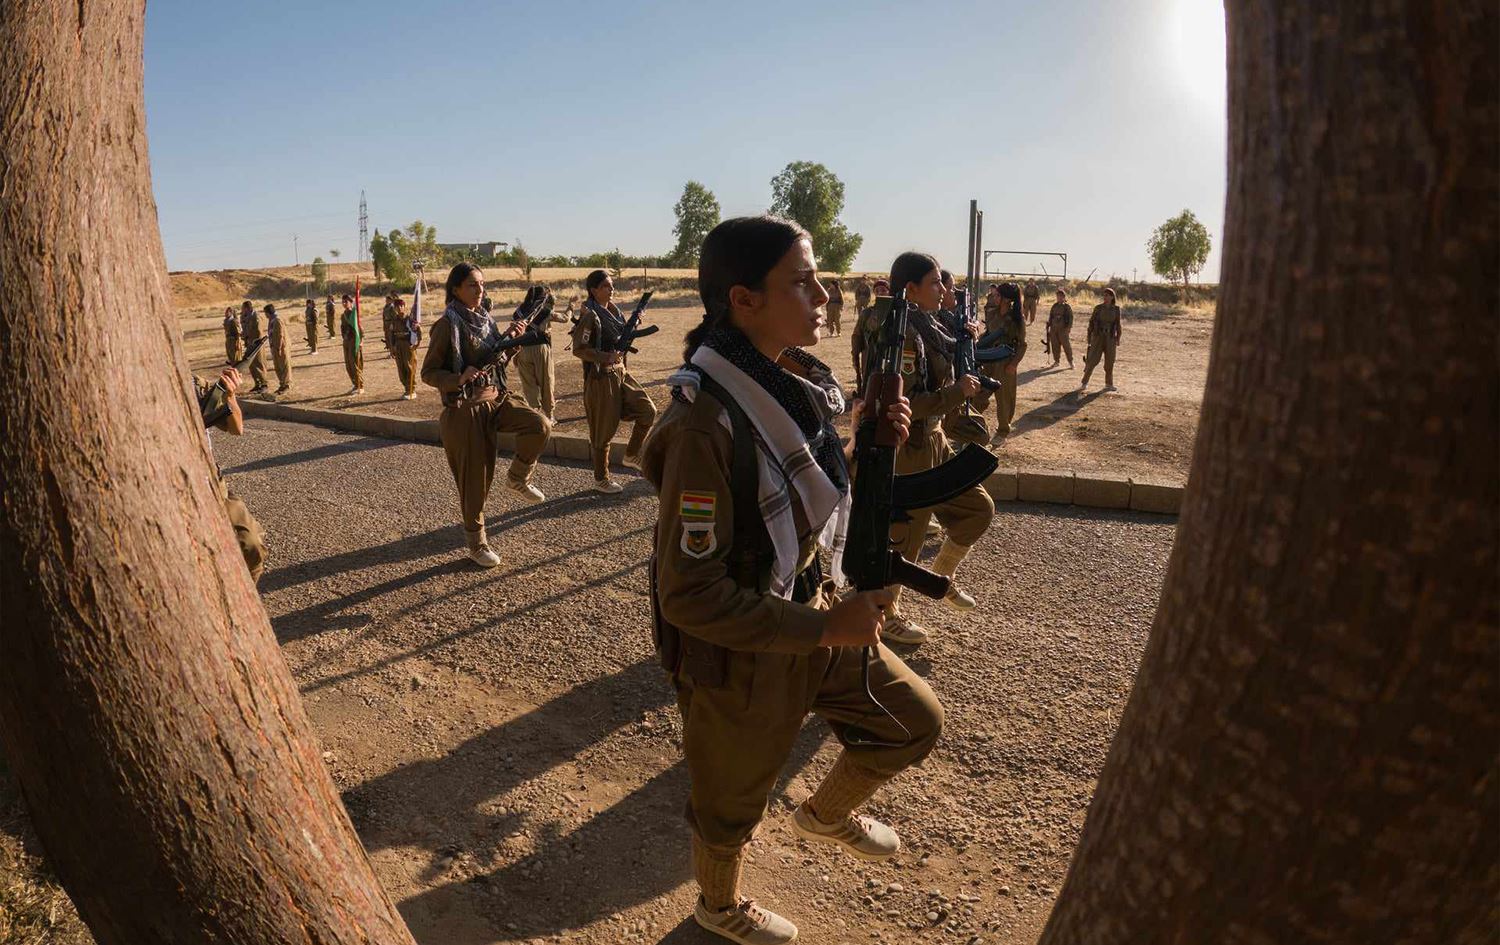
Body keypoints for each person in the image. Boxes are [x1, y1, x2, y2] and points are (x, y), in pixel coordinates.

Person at [642, 215, 940, 945]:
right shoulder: (702, 421)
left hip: (811, 610)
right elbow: (689, 593)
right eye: (801, 281)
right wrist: (823, 628)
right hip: (746, 651)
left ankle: (826, 813)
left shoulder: (786, 381)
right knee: (729, 806)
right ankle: (716, 907)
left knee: (912, 721)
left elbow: (799, 480)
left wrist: (867, 431)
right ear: (743, 299)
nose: (822, 294)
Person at [878, 252, 995, 645]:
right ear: (910, 290)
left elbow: (949, 344)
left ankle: (940, 579)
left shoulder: (928, 327)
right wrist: (956, 391)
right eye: (935, 283)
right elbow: (908, 401)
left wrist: (967, 340)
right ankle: (884, 615)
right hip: (910, 444)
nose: (943, 289)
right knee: (904, 540)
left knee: (978, 509)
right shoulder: (902, 334)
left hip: (935, 440)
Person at [421, 262, 551, 567]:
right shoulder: (447, 325)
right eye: (472, 285)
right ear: (455, 289)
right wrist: (458, 377)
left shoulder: (485, 320)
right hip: (465, 410)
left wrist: (512, 342)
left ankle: (518, 477)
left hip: (497, 399)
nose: (480, 290)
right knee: (475, 482)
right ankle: (477, 543)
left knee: (540, 425)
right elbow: (429, 372)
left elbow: (496, 361)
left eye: (482, 285)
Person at [571, 269, 658, 493]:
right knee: (603, 431)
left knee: (647, 410)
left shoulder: (615, 311)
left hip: (620, 372)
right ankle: (601, 479)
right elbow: (579, 349)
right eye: (606, 286)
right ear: (593, 290)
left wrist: (634, 324)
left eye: (612, 286)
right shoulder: (589, 314)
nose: (611, 289)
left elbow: (619, 338)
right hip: (601, 377)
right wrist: (604, 356)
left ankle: (631, 454)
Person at [192, 365, 265, 582]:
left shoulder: (194, 384)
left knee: (251, 546)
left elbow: (236, 428)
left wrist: (230, 395)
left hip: (212, 481)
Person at [975, 282, 1026, 440]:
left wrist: (1013, 364)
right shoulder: (992, 314)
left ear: (1006, 299)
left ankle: (1003, 430)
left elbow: (1022, 345)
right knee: (979, 393)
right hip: (989, 358)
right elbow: (988, 334)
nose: (994, 298)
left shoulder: (1016, 318)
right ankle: (974, 425)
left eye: (998, 295)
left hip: (1005, 361)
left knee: (1004, 398)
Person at [511, 284, 558, 422]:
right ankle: (549, 415)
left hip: (523, 349)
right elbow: (565, 318)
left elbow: (516, 333)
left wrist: (516, 353)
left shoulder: (519, 311)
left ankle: (534, 414)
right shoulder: (545, 310)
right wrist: (571, 306)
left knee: (529, 384)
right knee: (546, 381)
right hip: (541, 349)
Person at [1080, 286, 1123, 393]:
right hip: (1098, 337)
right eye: (1104, 295)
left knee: (1110, 361)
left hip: (1110, 338)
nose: (1105, 297)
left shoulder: (1116, 309)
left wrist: (1118, 338)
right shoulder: (1098, 308)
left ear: (1112, 297)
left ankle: (1109, 384)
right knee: (1092, 360)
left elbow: (1118, 324)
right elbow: (1091, 323)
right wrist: (1089, 338)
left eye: (1107, 295)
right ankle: (1084, 383)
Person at [391, 294, 420, 401]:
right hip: (398, 345)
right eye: (396, 306)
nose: (399, 308)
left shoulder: (410, 320)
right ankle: (406, 389)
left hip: (407, 345)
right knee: (401, 368)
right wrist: (392, 348)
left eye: (400, 306)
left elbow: (418, 331)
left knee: (410, 368)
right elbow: (392, 334)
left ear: (404, 306)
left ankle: (412, 390)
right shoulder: (394, 320)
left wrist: (416, 344)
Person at [239, 300, 268, 393]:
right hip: (250, 344)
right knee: (252, 365)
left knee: (259, 364)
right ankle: (257, 383)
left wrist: (256, 342)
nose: (242, 310)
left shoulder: (256, 317)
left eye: (243, 308)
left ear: (247, 308)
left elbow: (259, 332)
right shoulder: (247, 317)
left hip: (257, 345)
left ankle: (264, 384)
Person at [340, 294, 364, 394]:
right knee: (348, 365)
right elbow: (342, 328)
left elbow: (360, 328)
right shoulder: (343, 315)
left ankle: (360, 386)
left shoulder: (354, 314)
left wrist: (361, 341)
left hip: (354, 341)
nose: (345, 304)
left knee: (355, 364)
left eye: (346, 302)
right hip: (347, 341)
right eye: (343, 302)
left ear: (351, 302)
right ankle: (355, 384)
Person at [265, 303, 292, 394]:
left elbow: (280, 335)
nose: (265, 315)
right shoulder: (272, 320)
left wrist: (279, 348)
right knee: (278, 367)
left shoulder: (277, 320)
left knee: (284, 366)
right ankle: (282, 384)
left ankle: (286, 385)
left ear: (268, 313)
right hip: (275, 347)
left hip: (281, 347)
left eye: (266, 313)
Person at [1046, 288, 1074, 369]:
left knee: (1066, 346)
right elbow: (1051, 316)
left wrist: (1069, 328)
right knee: (1055, 345)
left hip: (1063, 329)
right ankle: (1056, 361)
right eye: (1058, 296)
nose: (1059, 298)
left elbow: (1070, 318)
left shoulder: (1067, 307)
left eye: (1061, 296)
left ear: (1064, 297)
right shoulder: (1054, 306)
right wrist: (1049, 324)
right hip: (1054, 329)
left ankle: (1070, 361)